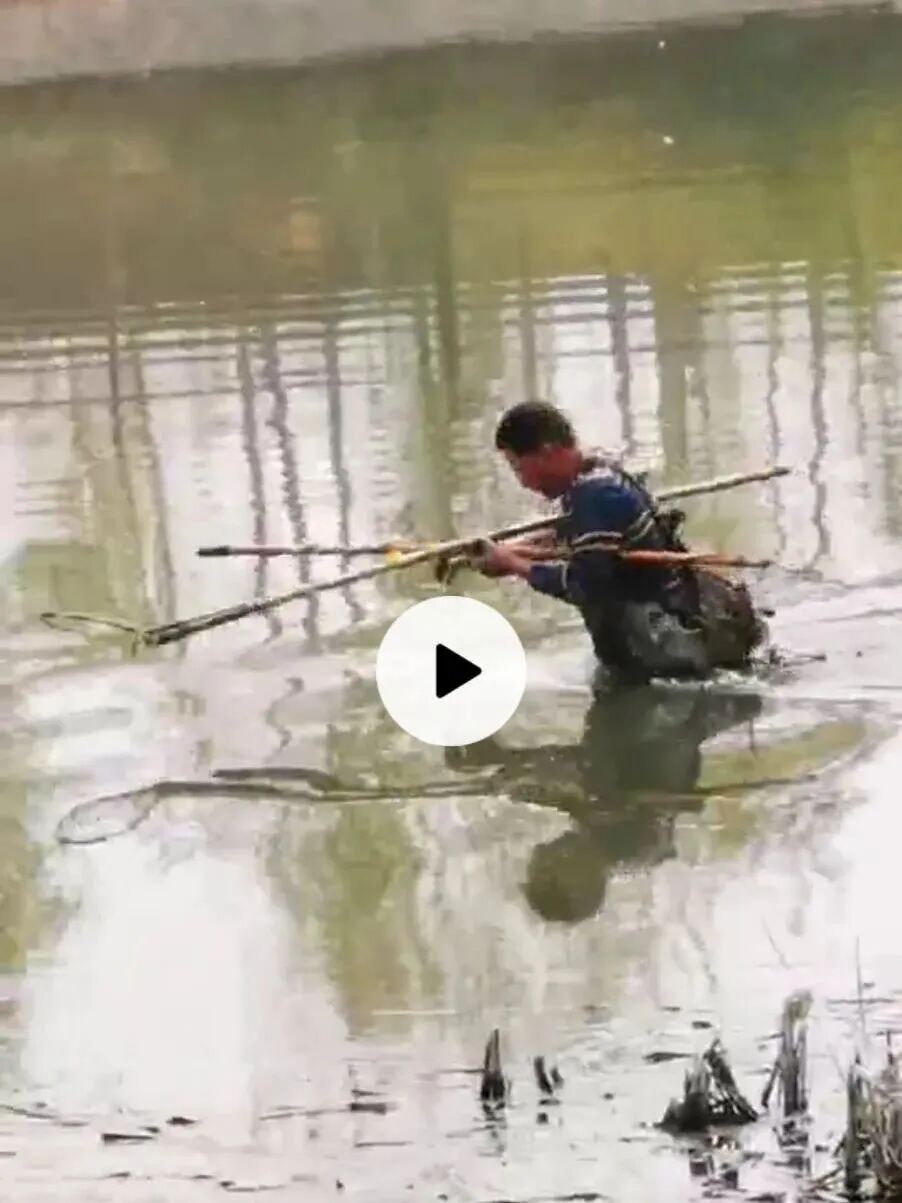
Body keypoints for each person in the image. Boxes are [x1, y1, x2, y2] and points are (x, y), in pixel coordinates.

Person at [470, 400, 767, 686]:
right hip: (683, 622)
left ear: (547, 452)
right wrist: (511, 549)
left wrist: (513, 565)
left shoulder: (593, 496)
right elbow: (576, 536)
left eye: (518, 468)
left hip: (662, 651)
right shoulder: (603, 473)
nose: (522, 482)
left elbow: (584, 586)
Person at [446, 686, 765, 923]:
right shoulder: (633, 848)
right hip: (668, 717)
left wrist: (503, 765)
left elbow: (572, 793)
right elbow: (587, 780)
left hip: (649, 716)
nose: (540, 851)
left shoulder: (598, 840)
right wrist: (513, 766)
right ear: (572, 877)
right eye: (544, 866)